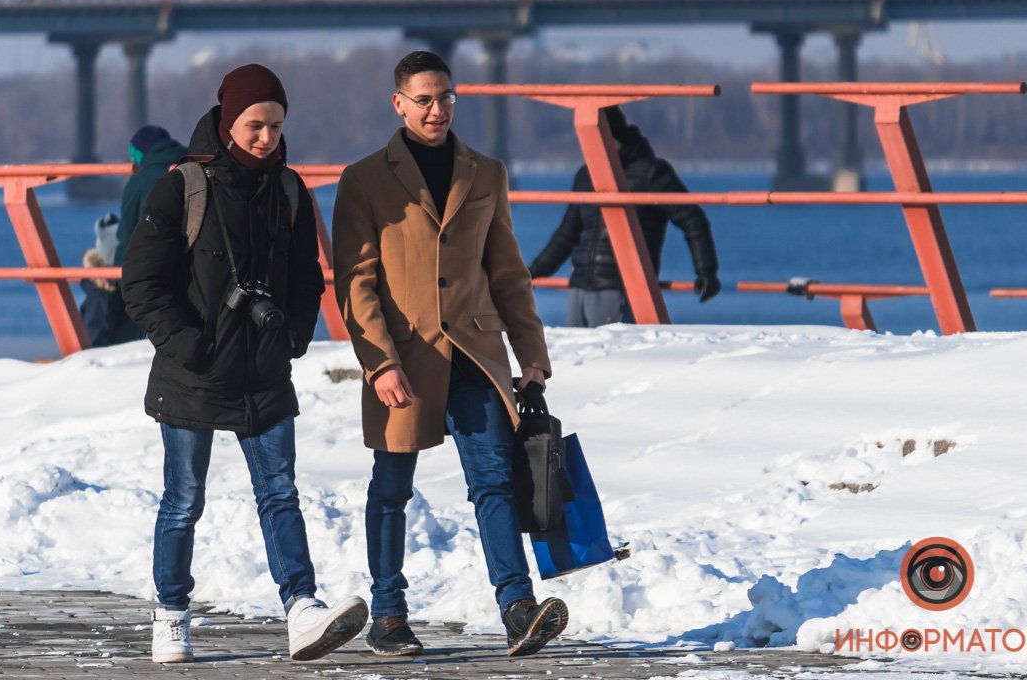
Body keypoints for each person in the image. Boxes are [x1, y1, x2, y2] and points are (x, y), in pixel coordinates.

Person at [122, 64, 367, 664]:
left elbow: (308, 278)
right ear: (228, 120)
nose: (266, 138)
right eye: (255, 125)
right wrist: (189, 346)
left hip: (263, 371)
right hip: (192, 372)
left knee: (280, 492)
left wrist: (294, 337)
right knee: (184, 498)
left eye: (276, 126)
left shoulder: (288, 191)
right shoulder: (184, 186)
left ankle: (302, 609)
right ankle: (172, 615)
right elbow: (141, 284)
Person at [332, 51, 567, 659]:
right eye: (425, 99)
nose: (438, 109)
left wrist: (531, 354)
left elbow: (508, 272)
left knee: (494, 481)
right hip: (404, 359)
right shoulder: (364, 179)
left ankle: (517, 609)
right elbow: (355, 281)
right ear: (399, 103)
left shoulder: (485, 171)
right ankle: (388, 614)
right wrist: (379, 361)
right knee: (391, 487)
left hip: (476, 351)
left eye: (446, 97)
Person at [527, 105, 721, 326]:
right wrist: (533, 272)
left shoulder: (651, 172)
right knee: (577, 357)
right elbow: (566, 235)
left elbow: (692, 218)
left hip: (620, 288)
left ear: (612, 135)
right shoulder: (586, 176)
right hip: (580, 285)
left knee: (610, 356)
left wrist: (706, 271)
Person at [114, 125, 187, 266]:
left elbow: (126, 234)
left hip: (153, 263)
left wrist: (117, 276)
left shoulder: (139, 180)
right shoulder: (193, 166)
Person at [79, 212, 141, 347]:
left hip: (122, 356)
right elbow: (95, 339)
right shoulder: (102, 293)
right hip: (118, 358)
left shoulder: (103, 288)